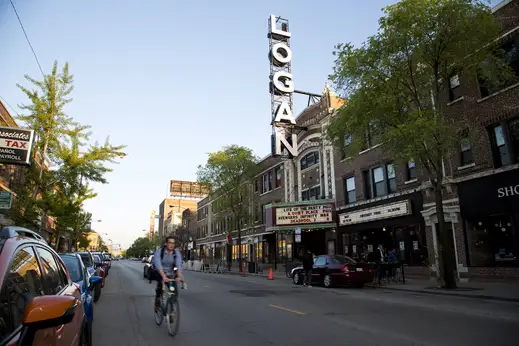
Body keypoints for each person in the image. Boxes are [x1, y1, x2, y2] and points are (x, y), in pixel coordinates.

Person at [153, 235, 184, 310]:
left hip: (171, 272)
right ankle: (157, 300)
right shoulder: (160, 251)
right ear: (166, 243)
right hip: (160, 271)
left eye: (173, 243)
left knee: (173, 290)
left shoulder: (176, 253)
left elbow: (179, 265)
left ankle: (172, 309)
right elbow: (158, 264)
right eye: (170, 243)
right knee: (160, 284)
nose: (171, 245)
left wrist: (179, 276)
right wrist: (163, 276)